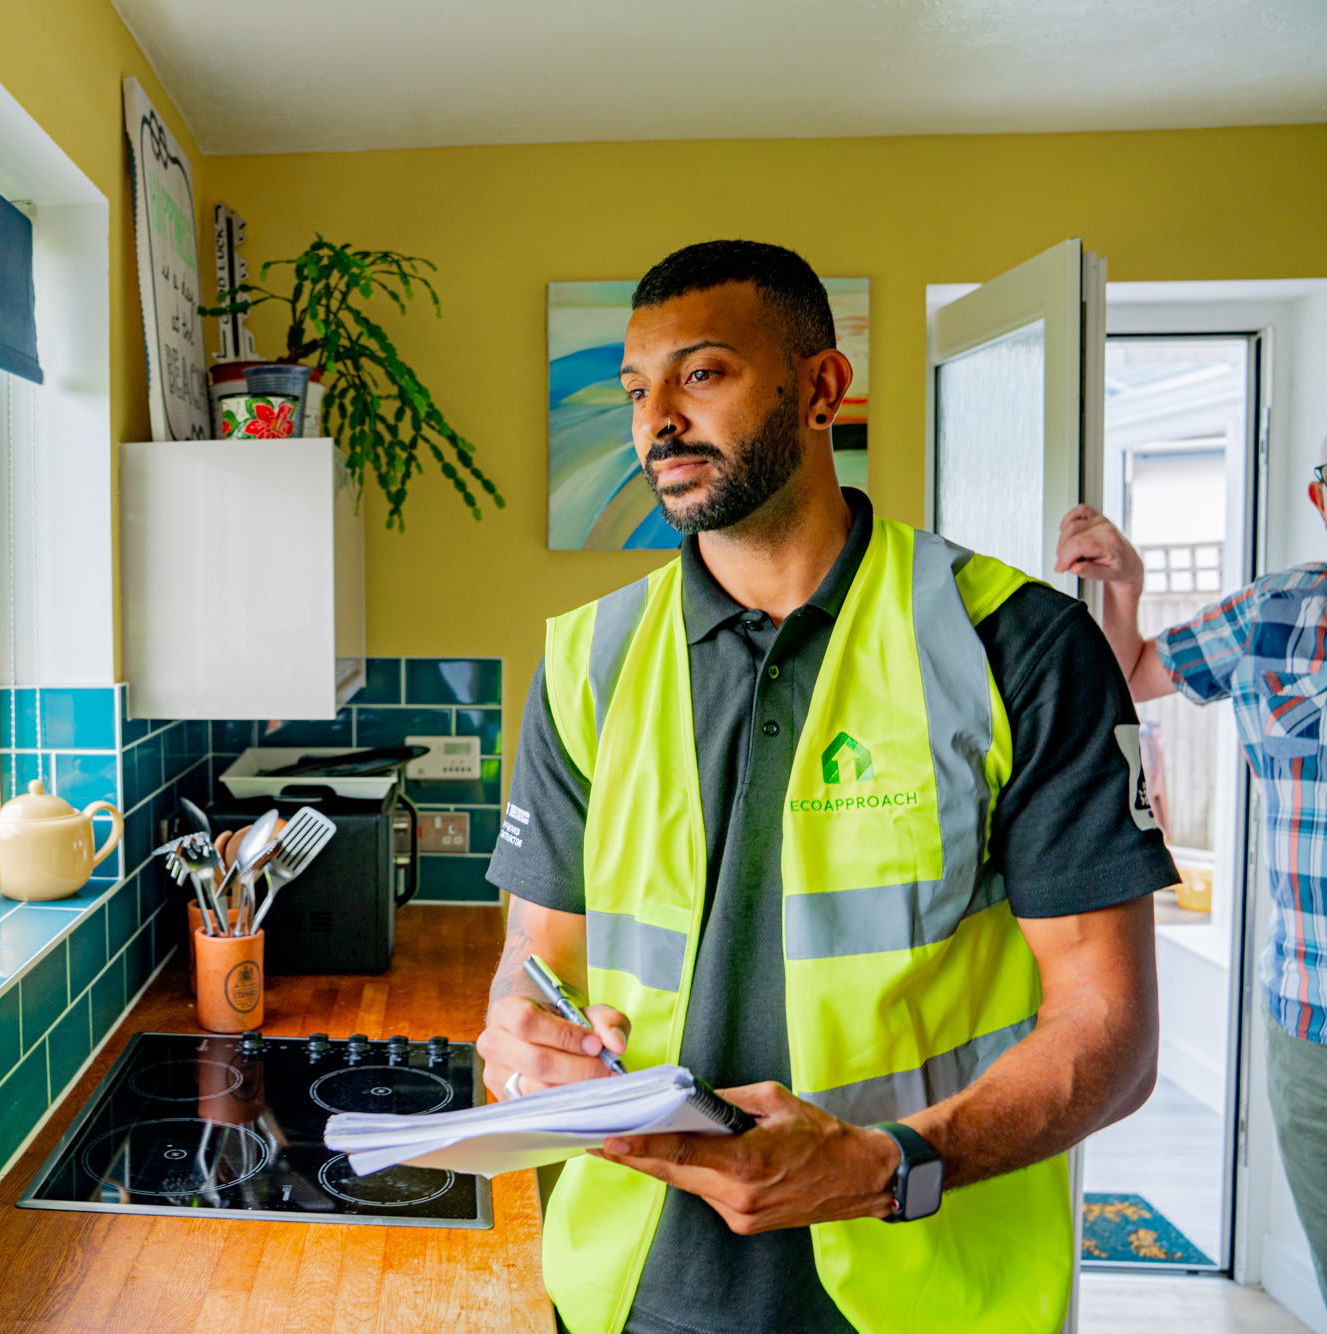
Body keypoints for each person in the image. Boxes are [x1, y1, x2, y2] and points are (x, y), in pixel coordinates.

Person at [478, 239, 1179, 1334]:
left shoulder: (1018, 646)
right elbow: (536, 964)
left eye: (700, 373)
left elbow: (1111, 1029)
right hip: (630, 1288)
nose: (657, 419)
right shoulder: (586, 661)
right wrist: (518, 1043)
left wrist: (881, 1166)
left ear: (820, 389)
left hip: (925, 1291)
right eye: (636, 389)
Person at [1057, 487, 1327, 1313]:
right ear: (1319, 498)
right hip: (1312, 1028)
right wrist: (1125, 588)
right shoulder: (1276, 612)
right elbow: (1128, 676)